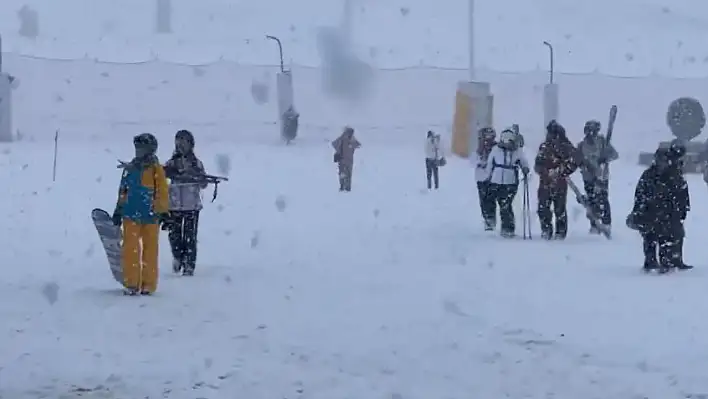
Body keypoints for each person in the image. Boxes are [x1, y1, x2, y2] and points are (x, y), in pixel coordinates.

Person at [111, 133, 170, 295]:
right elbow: (123, 190)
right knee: (130, 248)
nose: (138, 151)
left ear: (150, 150)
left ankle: (148, 284)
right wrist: (119, 209)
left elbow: (162, 191)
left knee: (150, 250)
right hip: (130, 214)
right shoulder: (130, 168)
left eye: (141, 148)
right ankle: (131, 283)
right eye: (136, 147)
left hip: (151, 216)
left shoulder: (156, 169)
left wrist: (163, 211)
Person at [627, 145, 692, 273]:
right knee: (650, 237)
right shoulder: (648, 175)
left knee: (673, 236)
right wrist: (638, 212)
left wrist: (683, 210)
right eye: (659, 159)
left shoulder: (675, 174)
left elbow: (682, 193)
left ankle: (673, 261)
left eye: (664, 160)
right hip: (650, 212)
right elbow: (640, 195)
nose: (661, 163)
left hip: (670, 213)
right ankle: (650, 261)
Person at [163, 129, 207, 276]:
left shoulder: (197, 164)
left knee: (190, 237)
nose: (180, 144)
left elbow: (204, 183)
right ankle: (177, 257)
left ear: (190, 144)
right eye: (178, 141)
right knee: (174, 236)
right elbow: (162, 179)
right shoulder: (170, 163)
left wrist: (195, 176)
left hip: (191, 206)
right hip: (174, 205)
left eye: (184, 141)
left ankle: (189, 264)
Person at [534, 120, 580, 240]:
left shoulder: (566, 147)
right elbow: (537, 164)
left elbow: (575, 161)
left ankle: (560, 232)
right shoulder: (544, 146)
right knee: (543, 208)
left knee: (559, 208)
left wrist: (562, 171)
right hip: (545, 181)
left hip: (560, 182)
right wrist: (544, 171)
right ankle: (546, 230)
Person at [483, 128, 530, 237]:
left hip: (510, 181)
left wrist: (525, 168)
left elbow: (524, 161)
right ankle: (494, 222)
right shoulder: (496, 150)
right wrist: (487, 176)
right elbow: (490, 163)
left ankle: (508, 228)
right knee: (498, 203)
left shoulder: (517, 151)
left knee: (506, 204)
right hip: (496, 181)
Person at [577, 120, 619, 234]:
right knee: (591, 201)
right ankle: (594, 224)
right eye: (589, 131)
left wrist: (605, 158)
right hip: (588, 177)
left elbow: (615, 155)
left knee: (603, 199)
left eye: (593, 131)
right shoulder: (581, 145)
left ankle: (606, 223)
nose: (591, 134)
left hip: (601, 177)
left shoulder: (603, 142)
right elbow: (577, 159)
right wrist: (582, 165)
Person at [475, 127, 497, 230]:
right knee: (483, 200)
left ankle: (491, 219)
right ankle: (488, 219)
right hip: (481, 177)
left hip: (493, 177)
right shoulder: (479, 148)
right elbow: (473, 160)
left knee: (491, 199)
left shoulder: (496, 148)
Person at [332, 126, 361, 192]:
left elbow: (358, 145)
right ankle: (344, 186)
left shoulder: (351, 139)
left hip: (348, 160)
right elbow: (334, 144)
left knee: (346, 174)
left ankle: (346, 187)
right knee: (344, 174)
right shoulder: (343, 139)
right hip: (344, 160)